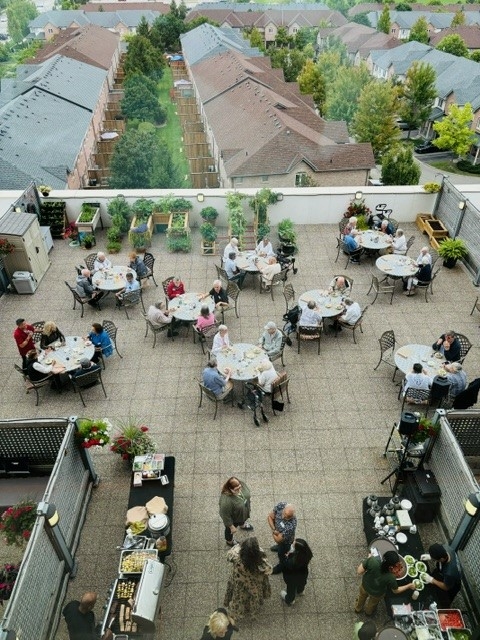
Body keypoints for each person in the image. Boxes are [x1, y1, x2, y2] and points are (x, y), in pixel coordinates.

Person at [223, 537, 272, 622]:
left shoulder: (236, 555)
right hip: (254, 583)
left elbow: (228, 556)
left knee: (238, 597)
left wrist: (239, 546)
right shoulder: (261, 559)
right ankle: (252, 610)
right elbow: (268, 570)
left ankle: (235, 614)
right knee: (253, 596)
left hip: (239, 581)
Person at [355, 550, 416, 615]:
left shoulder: (372, 561)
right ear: (392, 567)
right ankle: (368, 612)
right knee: (372, 603)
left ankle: (358, 609)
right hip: (377, 593)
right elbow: (396, 591)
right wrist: (409, 586)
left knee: (361, 597)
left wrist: (369, 558)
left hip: (365, 586)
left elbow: (359, 571)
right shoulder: (391, 577)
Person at [420, 543, 462, 608]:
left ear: (442, 559)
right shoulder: (445, 547)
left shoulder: (449, 572)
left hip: (452, 584)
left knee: (442, 601)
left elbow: (446, 587)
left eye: (434, 559)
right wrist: (430, 556)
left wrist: (432, 580)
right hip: (443, 573)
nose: (434, 560)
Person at [219, 477, 253, 547]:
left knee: (242, 519)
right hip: (234, 519)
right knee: (229, 531)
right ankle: (229, 541)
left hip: (242, 513)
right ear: (230, 489)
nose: (240, 490)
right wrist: (231, 527)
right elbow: (225, 515)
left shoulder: (240, 484)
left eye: (240, 486)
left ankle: (242, 525)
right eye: (237, 489)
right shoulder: (226, 502)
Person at [280, 538, 313, 606]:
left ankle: (290, 600)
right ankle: (300, 591)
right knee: (302, 583)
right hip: (303, 574)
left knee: (291, 589)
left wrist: (287, 556)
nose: (291, 544)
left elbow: (285, 565)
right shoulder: (307, 554)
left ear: (297, 550)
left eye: (293, 544)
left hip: (292, 578)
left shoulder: (292, 561)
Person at [267, 502, 297, 574]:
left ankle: (281, 566)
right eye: (284, 514)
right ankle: (279, 548)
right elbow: (270, 517)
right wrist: (274, 530)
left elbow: (278, 540)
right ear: (284, 509)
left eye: (288, 517)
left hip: (286, 542)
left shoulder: (291, 525)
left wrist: (273, 532)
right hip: (278, 533)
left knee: (282, 554)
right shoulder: (281, 505)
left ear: (292, 516)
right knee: (280, 546)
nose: (284, 517)